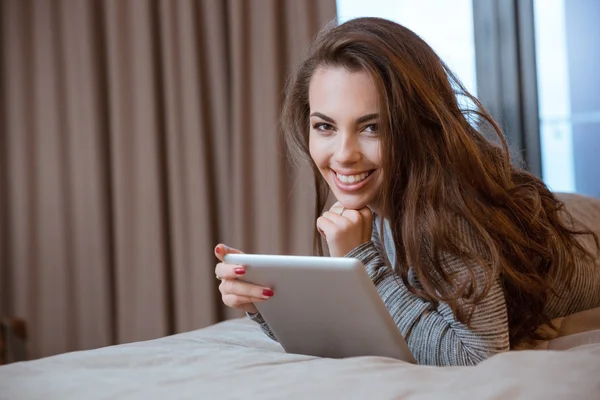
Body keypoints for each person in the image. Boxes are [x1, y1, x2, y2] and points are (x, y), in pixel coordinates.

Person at [213, 17, 600, 366]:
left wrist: (360, 261)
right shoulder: (373, 203)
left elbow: (477, 354)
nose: (344, 155)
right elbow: (373, 328)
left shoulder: (450, 211)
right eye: (325, 127)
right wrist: (266, 303)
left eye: (372, 127)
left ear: (419, 126)